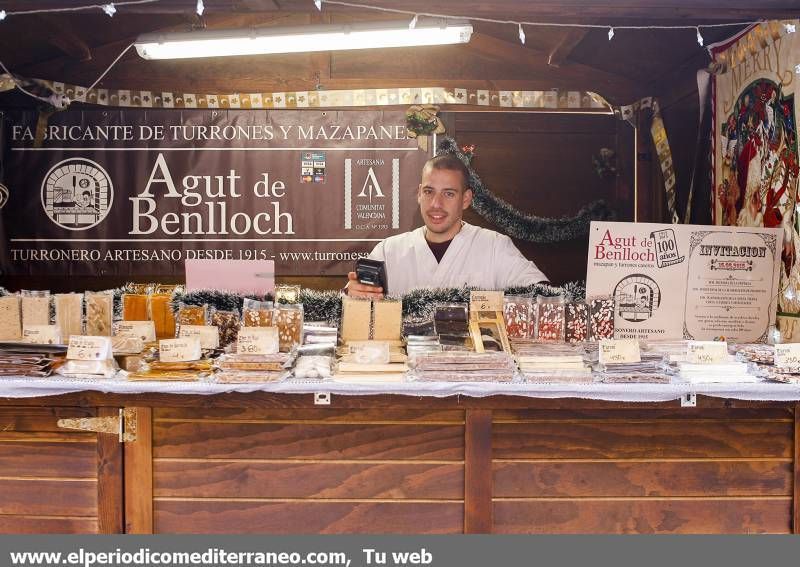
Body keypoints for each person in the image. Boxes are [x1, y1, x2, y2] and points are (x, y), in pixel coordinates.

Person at [345, 154, 548, 298]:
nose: (436, 204)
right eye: (429, 191)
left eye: (449, 193)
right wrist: (353, 293)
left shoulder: (494, 246)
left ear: (466, 199)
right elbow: (353, 298)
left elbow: (543, 293)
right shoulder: (388, 250)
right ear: (419, 193)